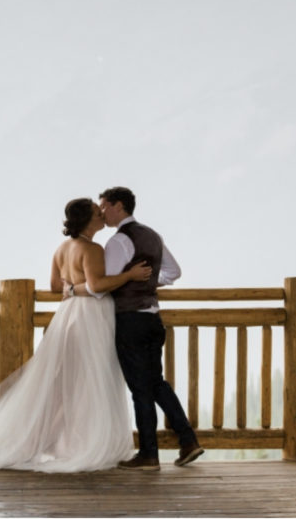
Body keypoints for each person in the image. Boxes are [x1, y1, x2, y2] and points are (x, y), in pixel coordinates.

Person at [0, 198, 151, 473]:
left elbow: (56, 286)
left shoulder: (61, 249)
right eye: (96, 212)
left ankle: (55, 442)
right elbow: (97, 285)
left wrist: (71, 288)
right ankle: (82, 445)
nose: (101, 214)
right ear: (87, 219)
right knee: (90, 381)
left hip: (67, 316)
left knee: (69, 380)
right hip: (90, 316)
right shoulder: (91, 249)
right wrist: (129, 275)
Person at [98, 186, 203, 471]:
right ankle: (188, 440)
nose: (101, 212)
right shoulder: (152, 235)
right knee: (156, 383)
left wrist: (129, 281)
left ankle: (149, 455)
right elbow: (174, 272)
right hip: (153, 319)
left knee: (140, 389)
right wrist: (150, 284)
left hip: (130, 320)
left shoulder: (118, 241)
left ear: (118, 205)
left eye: (104, 206)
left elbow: (106, 284)